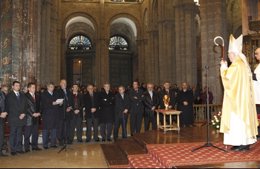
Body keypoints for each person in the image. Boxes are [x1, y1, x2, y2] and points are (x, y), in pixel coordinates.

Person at [220, 34, 258, 151]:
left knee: (237, 121)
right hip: (241, 99)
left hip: (236, 102)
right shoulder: (243, 65)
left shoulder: (236, 65)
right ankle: (242, 142)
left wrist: (223, 68)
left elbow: (228, 80)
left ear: (235, 54)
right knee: (240, 122)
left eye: (229, 54)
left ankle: (242, 143)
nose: (228, 56)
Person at [6, 81, 28, 155]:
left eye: (19, 85)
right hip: (13, 118)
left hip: (21, 118)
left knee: (19, 134)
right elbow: (9, 108)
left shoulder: (22, 95)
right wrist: (19, 114)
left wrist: (24, 113)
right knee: (13, 134)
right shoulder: (9, 95)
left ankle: (19, 148)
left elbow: (26, 106)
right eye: (16, 85)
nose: (18, 87)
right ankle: (13, 150)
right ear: (12, 86)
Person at [41, 82, 60, 149]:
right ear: (48, 87)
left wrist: (60, 103)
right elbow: (44, 104)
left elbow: (58, 102)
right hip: (47, 114)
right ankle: (45, 144)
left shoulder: (56, 93)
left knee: (54, 129)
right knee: (46, 130)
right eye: (51, 87)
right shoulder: (44, 94)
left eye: (53, 87)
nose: (52, 88)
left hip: (55, 114)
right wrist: (53, 103)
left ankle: (53, 143)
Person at [24, 83, 41, 152]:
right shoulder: (25, 96)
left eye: (35, 87)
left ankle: (34, 146)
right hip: (29, 117)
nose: (34, 89)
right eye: (33, 87)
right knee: (27, 134)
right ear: (29, 88)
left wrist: (39, 112)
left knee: (35, 133)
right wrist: (32, 114)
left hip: (36, 117)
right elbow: (26, 107)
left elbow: (40, 105)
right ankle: (26, 147)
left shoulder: (37, 95)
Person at [56, 79, 74, 145]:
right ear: (60, 84)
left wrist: (70, 107)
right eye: (63, 83)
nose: (64, 84)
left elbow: (72, 101)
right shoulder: (57, 92)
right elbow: (57, 102)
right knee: (61, 127)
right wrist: (63, 106)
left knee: (68, 127)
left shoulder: (69, 92)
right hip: (61, 113)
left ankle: (68, 139)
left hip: (69, 112)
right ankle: (61, 140)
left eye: (65, 83)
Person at [0, 85, 8, 156]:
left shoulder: (4, 96)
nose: (6, 92)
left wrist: (5, 112)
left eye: (7, 90)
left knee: (1, 135)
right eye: (5, 90)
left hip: (2, 118)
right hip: (1, 116)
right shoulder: (1, 95)